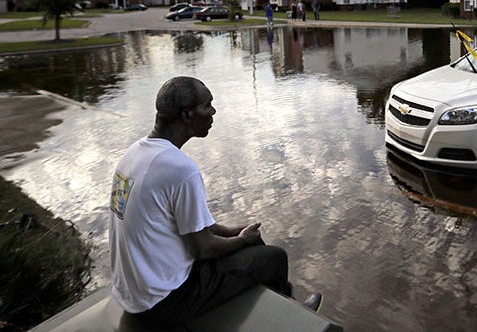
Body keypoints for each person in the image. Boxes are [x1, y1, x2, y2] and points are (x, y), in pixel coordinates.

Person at [108, 76, 320, 323]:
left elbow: (192, 225)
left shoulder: (135, 154)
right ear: (188, 115)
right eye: (207, 105)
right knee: (275, 258)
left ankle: (278, 303)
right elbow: (203, 248)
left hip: (133, 294)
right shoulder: (179, 169)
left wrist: (232, 232)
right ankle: (294, 319)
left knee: (250, 244)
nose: (213, 112)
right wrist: (241, 241)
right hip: (165, 301)